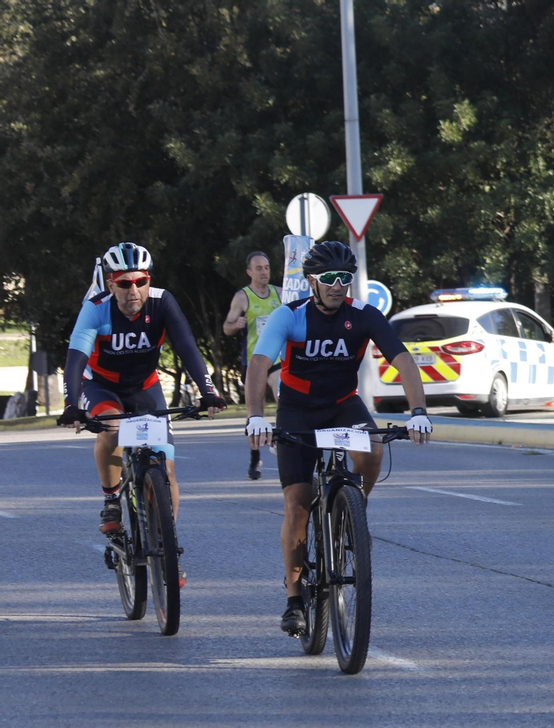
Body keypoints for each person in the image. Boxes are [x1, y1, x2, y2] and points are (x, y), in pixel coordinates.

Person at [243, 240, 432, 635]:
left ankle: (353, 511)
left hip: (343, 404)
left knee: (374, 446)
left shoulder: (364, 315)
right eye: (328, 279)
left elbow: (402, 360)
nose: (336, 286)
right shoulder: (289, 315)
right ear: (311, 280)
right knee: (297, 503)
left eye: (344, 279)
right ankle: (294, 598)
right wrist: (256, 418)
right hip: (297, 410)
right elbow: (259, 365)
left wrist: (418, 413)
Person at [57, 242, 228, 583]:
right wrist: (71, 404)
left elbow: (187, 347)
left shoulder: (162, 302)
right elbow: (76, 357)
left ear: (149, 281)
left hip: (145, 387)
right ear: (110, 284)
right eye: (124, 283)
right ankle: (110, 500)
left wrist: (208, 391)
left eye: (140, 281)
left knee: (166, 468)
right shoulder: (96, 309)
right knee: (113, 428)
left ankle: (166, 545)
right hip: (101, 386)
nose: (133, 290)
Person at [223, 250, 282, 480]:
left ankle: (279, 437)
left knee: (282, 392)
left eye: (266, 267)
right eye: (259, 268)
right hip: (254, 360)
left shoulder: (279, 293)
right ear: (249, 272)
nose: (264, 272)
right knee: (255, 412)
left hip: (277, 359)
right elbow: (226, 328)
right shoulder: (243, 297)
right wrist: (235, 324)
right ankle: (255, 457)